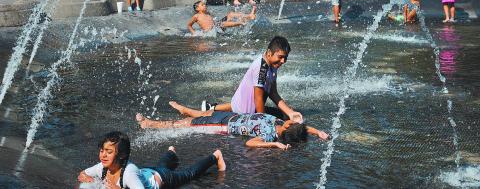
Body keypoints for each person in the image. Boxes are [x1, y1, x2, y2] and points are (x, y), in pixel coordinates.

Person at [136, 101, 330, 150]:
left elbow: (250, 144)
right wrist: (318, 132)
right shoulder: (282, 124)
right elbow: (302, 129)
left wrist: (273, 145)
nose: (292, 119)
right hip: (231, 116)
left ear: (287, 129)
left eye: (291, 123)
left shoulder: (270, 135)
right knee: (205, 113)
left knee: (187, 125)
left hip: (222, 126)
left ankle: (150, 124)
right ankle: (185, 109)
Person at [201, 36, 304, 123]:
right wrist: (262, 121)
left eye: (285, 58)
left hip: (247, 108)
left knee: (287, 115)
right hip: (245, 115)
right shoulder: (261, 68)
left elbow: (273, 93)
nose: (283, 61)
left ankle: (212, 108)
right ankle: (206, 111)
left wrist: (289, 112)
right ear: (269, 53)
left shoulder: (273, 66)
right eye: (280, 57)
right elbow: (258, 98)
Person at [77, 131, 225, 189]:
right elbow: (82, 174)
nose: (103, 155)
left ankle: (215, 156)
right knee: (161, 166)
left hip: (163, 178)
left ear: (121, 155)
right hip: (148, 173)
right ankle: (171, 153)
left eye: (109, 152)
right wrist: (89, 179)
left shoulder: (128, 173)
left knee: (188, 175)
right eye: (102, 151)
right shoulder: (101, 168)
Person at [187, 0, 256, 35]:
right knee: (221, 24)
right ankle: (240, 22)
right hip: (210, 32)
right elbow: (189, 25)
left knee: (230, 14)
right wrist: (194, 33)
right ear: (197, 9)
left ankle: (249, 15)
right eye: (202, 5)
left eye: (204, 4)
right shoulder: (196, 16)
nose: (205, 5)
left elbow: (213, 21)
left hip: (216, 28)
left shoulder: (208, 13)